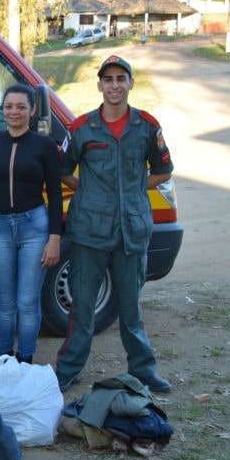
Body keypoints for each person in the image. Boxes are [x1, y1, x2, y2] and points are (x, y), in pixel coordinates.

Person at [54, 55, 174, 393]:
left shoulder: (147, 126)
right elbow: (63, 170)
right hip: (89, 230)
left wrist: (135, 189)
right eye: (108, 79)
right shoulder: (81, 128)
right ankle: (69, 368)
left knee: (130, 304)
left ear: (131, 83)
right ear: (100, 85)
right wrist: (87, 190)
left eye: (121, 78)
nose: (115, 85)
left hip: (132, 229)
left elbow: (164, 170)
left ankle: (143, 370)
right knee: (83, 304)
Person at [0, 84, 63, 365]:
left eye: (20, 107)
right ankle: (4, 358)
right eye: (8, 106)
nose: (14, 112)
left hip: (35, 227)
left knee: (27, 302)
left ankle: (25, 360)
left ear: (32, 111)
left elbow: (55, 194)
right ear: (2, 110)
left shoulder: (45, 145)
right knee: (5, 303)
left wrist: (55, 237)